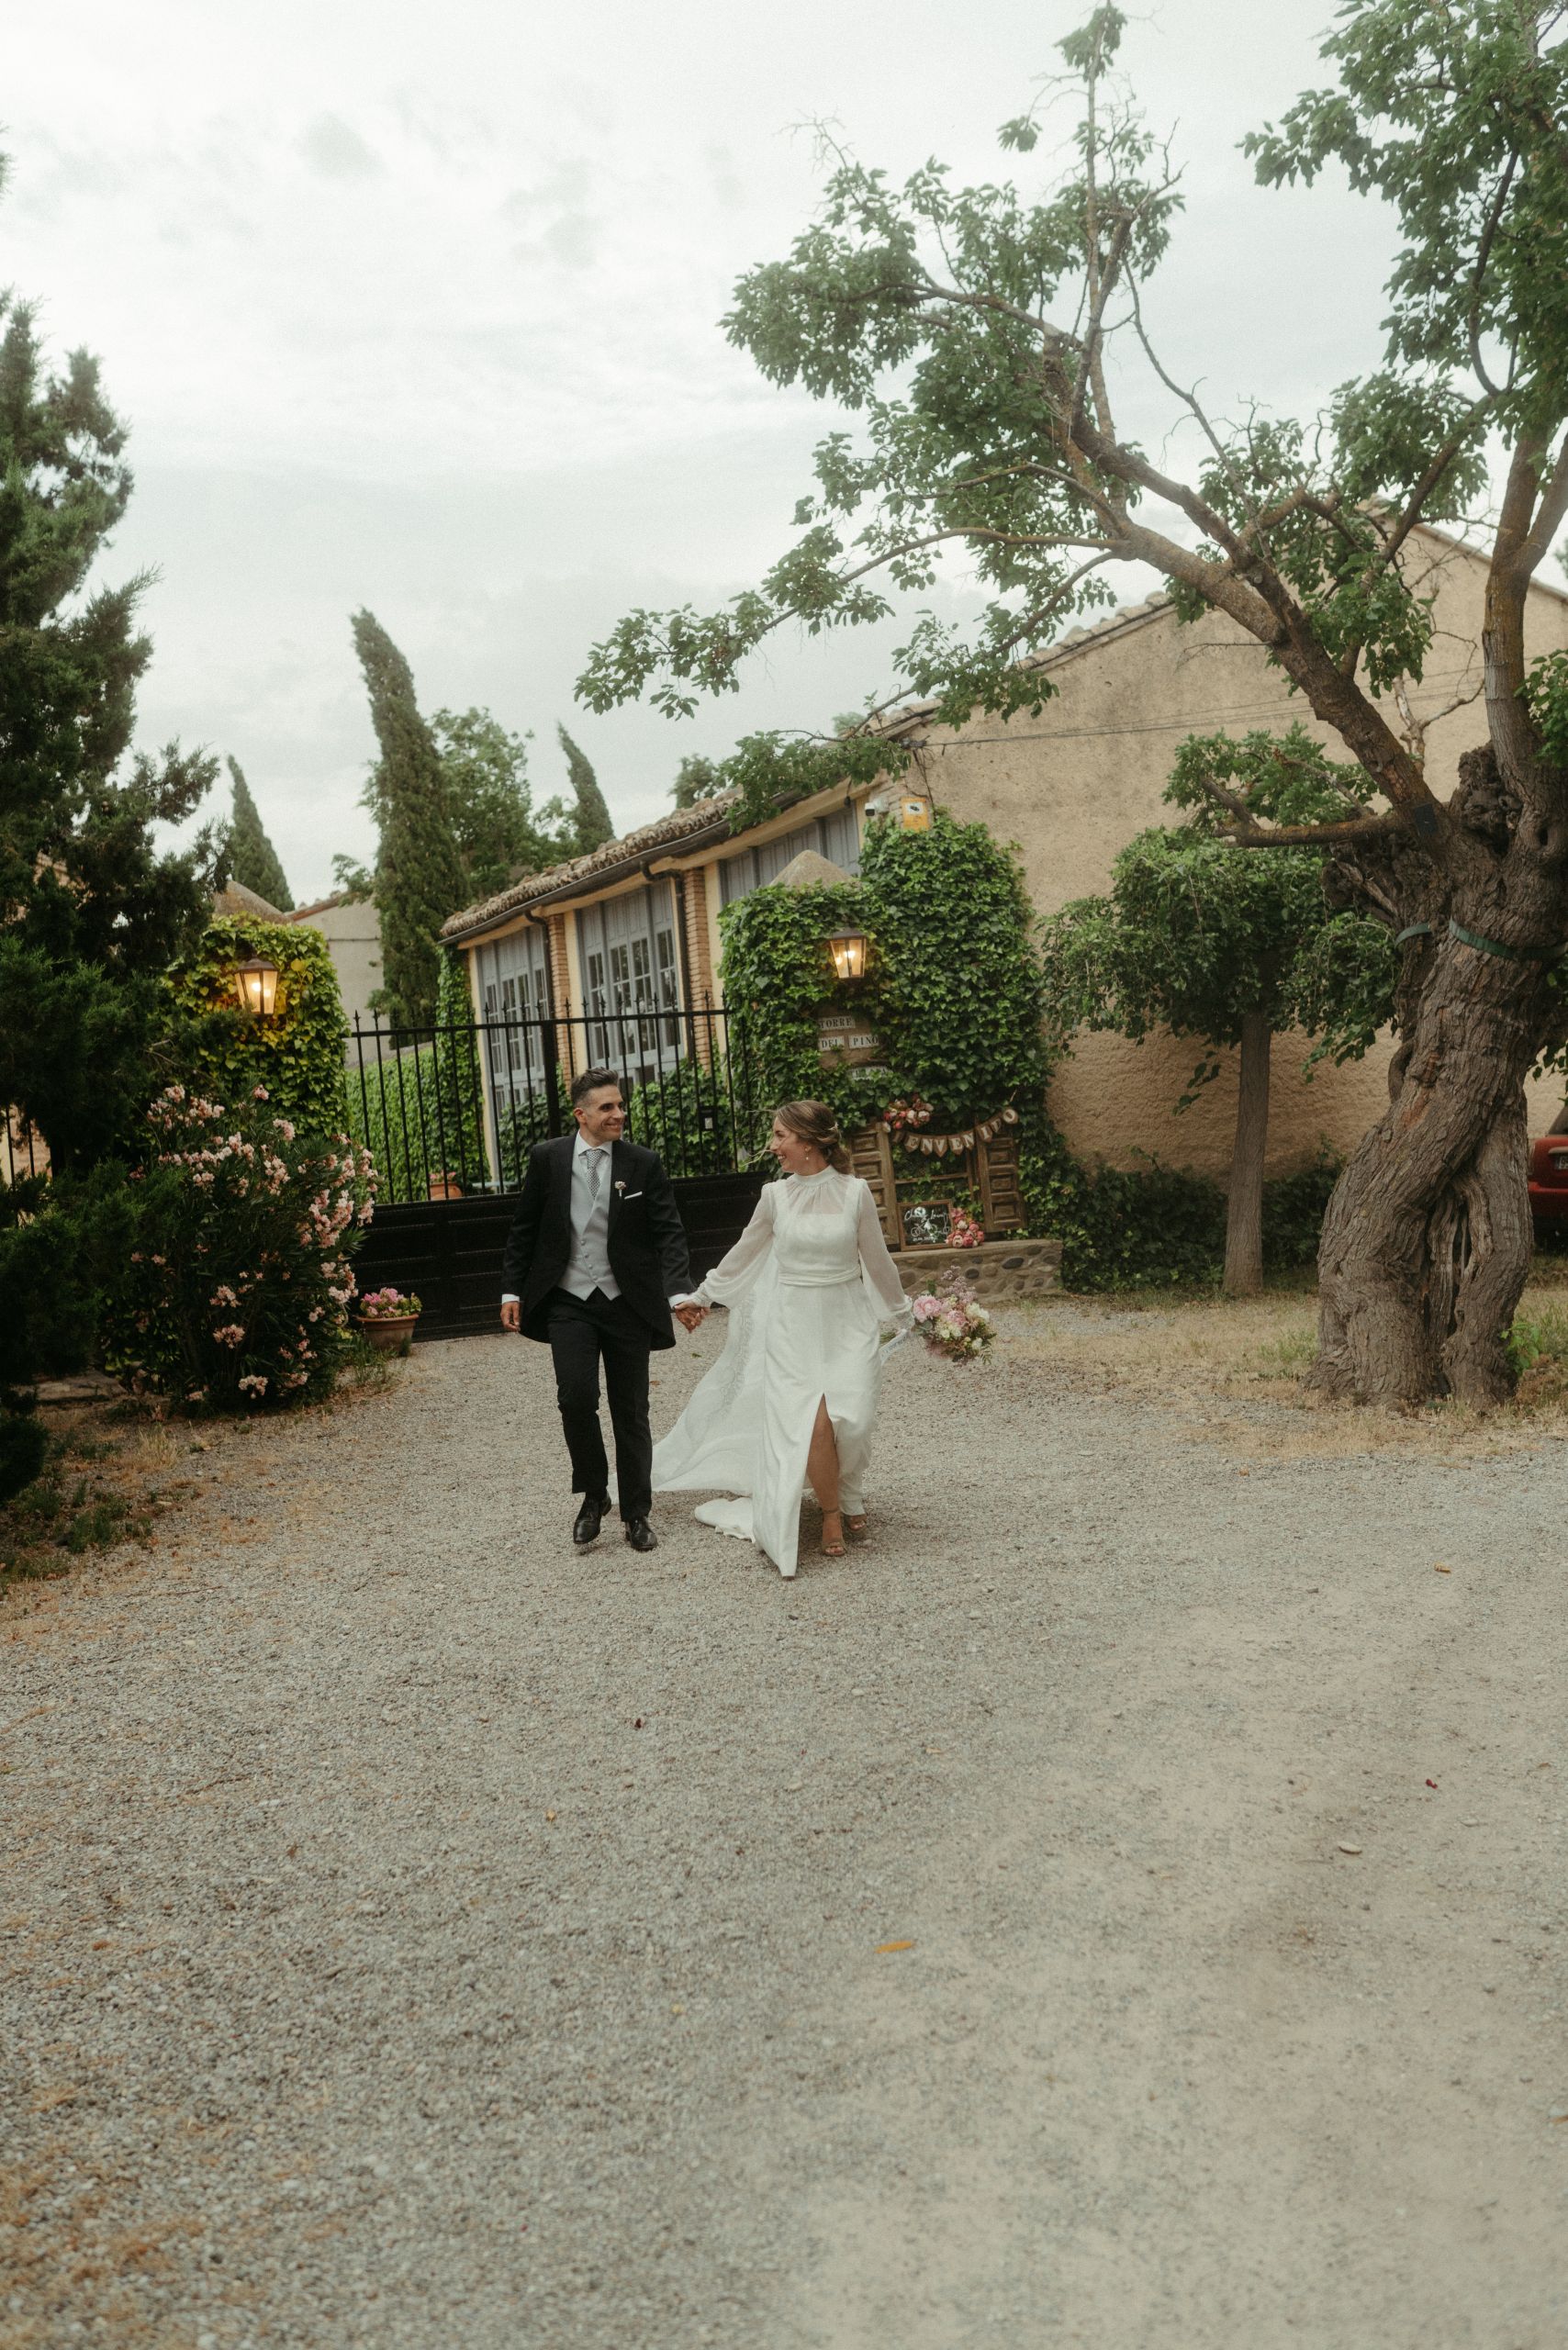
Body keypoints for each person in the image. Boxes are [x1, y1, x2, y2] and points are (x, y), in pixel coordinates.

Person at [652, 1099, 912, 1578]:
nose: (772, 1146)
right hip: (793, 1325)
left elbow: (877, 1260)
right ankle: (831, 1513)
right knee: (814, 1425)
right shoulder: (774, 1196)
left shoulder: (855, 1193)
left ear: (809, 1142)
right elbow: (745, 1252)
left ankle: (849, 1490)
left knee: (853, 1419)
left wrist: (907, 1313)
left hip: (847, 1321)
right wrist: (703, 1296)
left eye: (779, 1136)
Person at [500, 1068, 707, 1553]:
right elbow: (524, 1228)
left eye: (620, 1105)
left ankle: (636, 1512)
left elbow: (669, 1232)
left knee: (630, 1409)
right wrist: (511, 1291)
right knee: (575, 1398)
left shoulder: (643, 1163)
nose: (619, 1114)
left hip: (626, 1302)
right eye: (607, 1107)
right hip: (568, 1298)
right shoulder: (548, 1159)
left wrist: (678, 1292)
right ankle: (594, 1495)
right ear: (581, 1114)